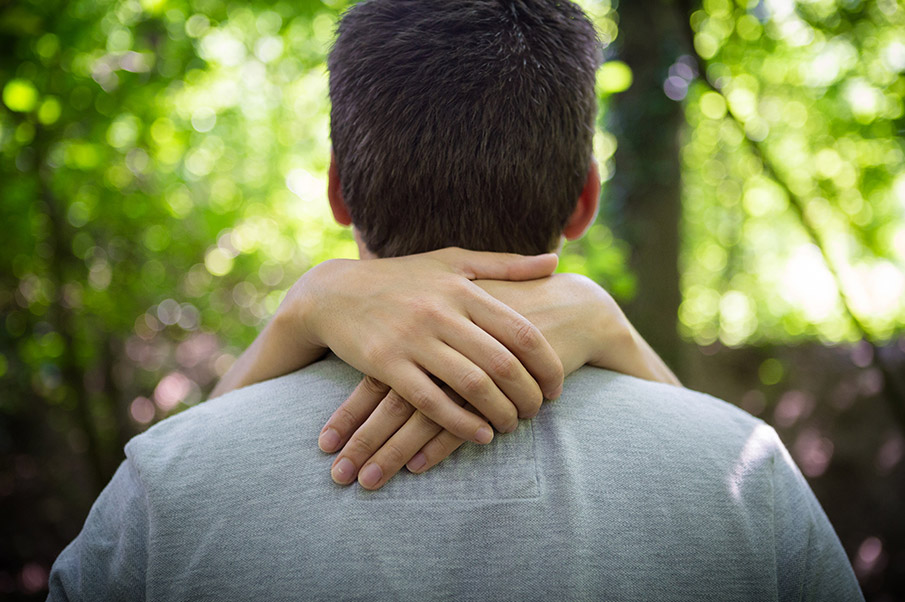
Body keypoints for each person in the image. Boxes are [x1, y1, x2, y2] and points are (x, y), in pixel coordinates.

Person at [48, 0, 863, 600]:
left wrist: (299, 310)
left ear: (339, 192)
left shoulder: (165, 483)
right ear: (585, 198)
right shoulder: (742, 471)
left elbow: (183, 488)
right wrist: (610, 322)